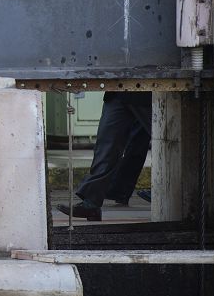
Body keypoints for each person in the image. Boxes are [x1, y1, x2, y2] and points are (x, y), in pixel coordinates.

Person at [57, 92, 152, 221]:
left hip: (148, 90)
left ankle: (168, 194)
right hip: (118, 90)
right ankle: (91, 203)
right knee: (106, 145)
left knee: (169, 140)